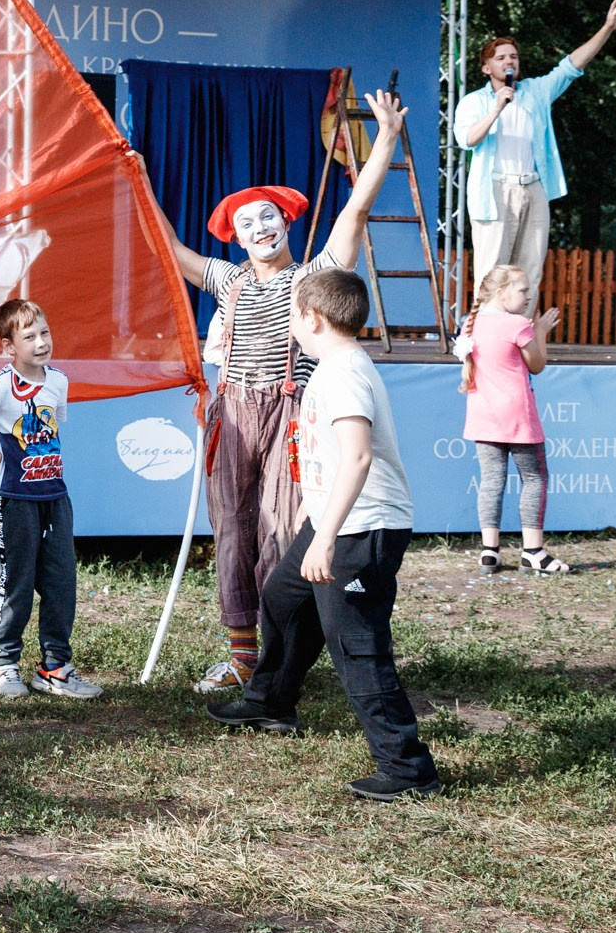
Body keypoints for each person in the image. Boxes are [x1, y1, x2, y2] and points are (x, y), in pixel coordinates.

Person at [153, 90, 412, 695]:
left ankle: (281, 652)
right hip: (234, 412)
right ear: (237, 238)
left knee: (281, 527)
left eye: (267, 215)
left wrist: (388, 141)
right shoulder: (229, 278)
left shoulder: (312, 278)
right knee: (233, 530)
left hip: (292, 412)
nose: (259, 227)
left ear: (285, 222)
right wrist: (136, 177)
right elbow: (170, 249)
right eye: (247, 223)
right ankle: (244, 653)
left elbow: (354, 216)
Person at [205, 267, 441, 801]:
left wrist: (326, 535)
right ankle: (270, 701)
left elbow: (357, 456)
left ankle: (408, 770)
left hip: (360, 530)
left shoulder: (343, 375)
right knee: (283, 597)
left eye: (291, 313)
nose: (289, 321)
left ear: (310, 318)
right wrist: (316, 522)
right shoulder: (335, 365)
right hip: (334, 521)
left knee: (357, 647)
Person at [0, 299, 102, 700]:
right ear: (9, 346)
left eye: (45, 333)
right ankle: (2, 662)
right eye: (30, 336)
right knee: (17, 583)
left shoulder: (58, 381)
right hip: (13, 498)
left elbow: (53, 426)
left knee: (61, 582)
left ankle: (55, 668)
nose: (41, 342)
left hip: (55, 495)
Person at [455, 0, 616, 299]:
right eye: (501, 58)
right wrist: (497, 109)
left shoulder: (535, 91)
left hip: (533, 187)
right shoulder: (475, 101)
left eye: (513, 56)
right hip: (495, 189)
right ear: (486, 68)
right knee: (493, 271)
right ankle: (484, 339)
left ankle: (521, 340)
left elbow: (571, 66)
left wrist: (607, 28)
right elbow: (467, 140)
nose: (509, 62)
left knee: (529, 271)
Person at [455, 265, 568, 575]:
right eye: (523, 290)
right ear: (501, 293)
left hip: (483, 417)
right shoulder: (517, 325)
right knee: (535, 478)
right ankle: (533, 551)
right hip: (518, 416)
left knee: (491, 482)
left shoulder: (471, 323)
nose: (529, 296)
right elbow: (537, 365)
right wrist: (541, 332)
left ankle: (489, 551)